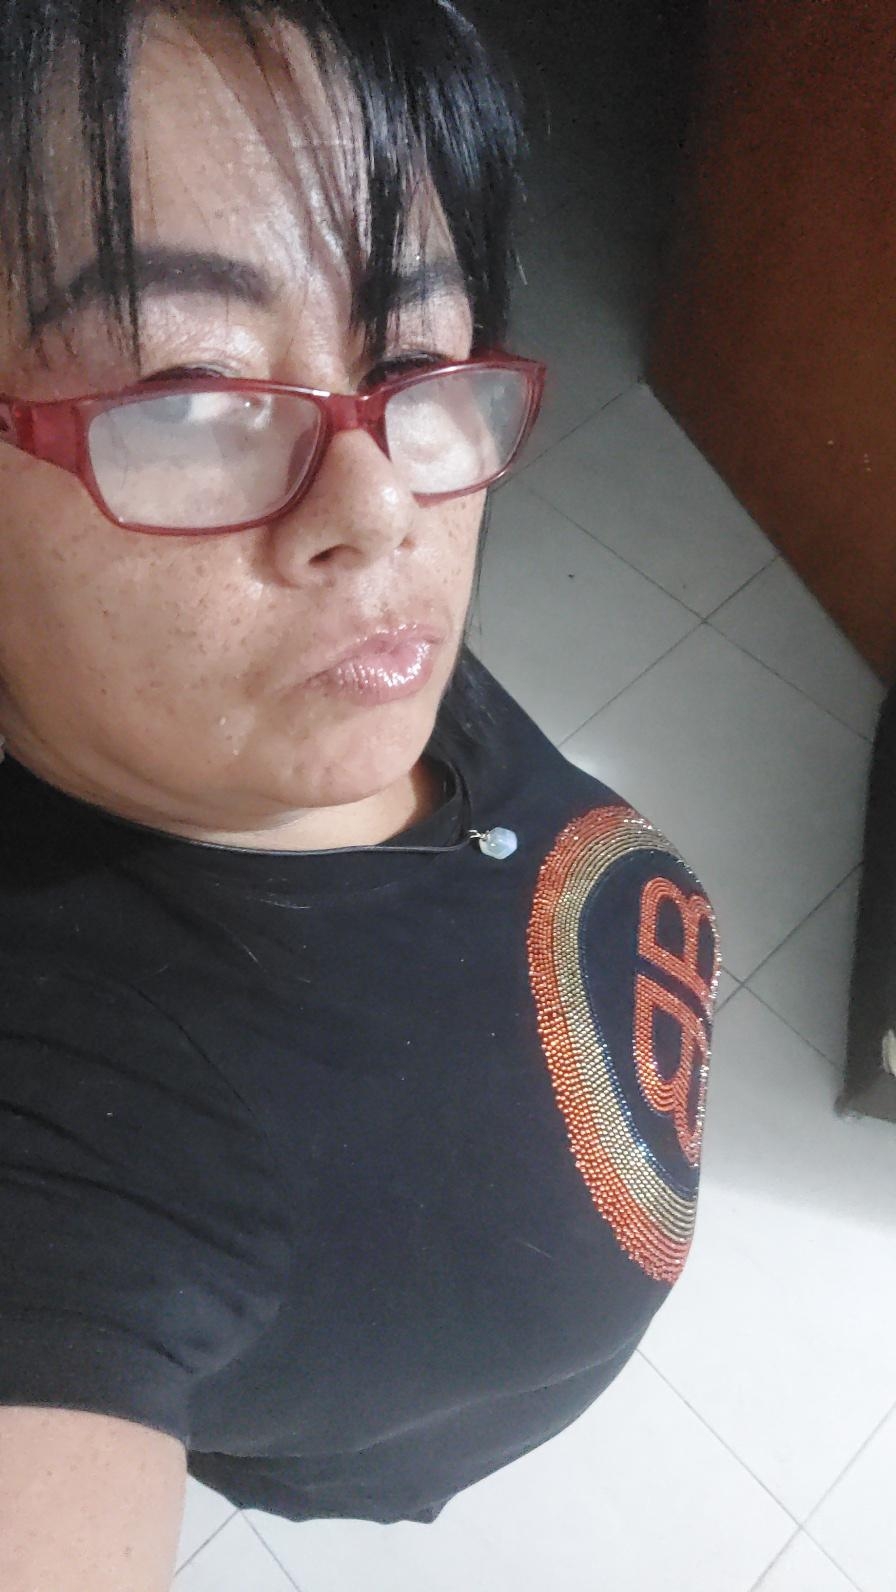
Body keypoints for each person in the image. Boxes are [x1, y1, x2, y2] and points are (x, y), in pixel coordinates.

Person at [0, 1, 722, 1585]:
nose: (380, 504)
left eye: (415, 355)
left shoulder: (316, 668)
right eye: (189, 390)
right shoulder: (67, 1109)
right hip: (385, 1447)